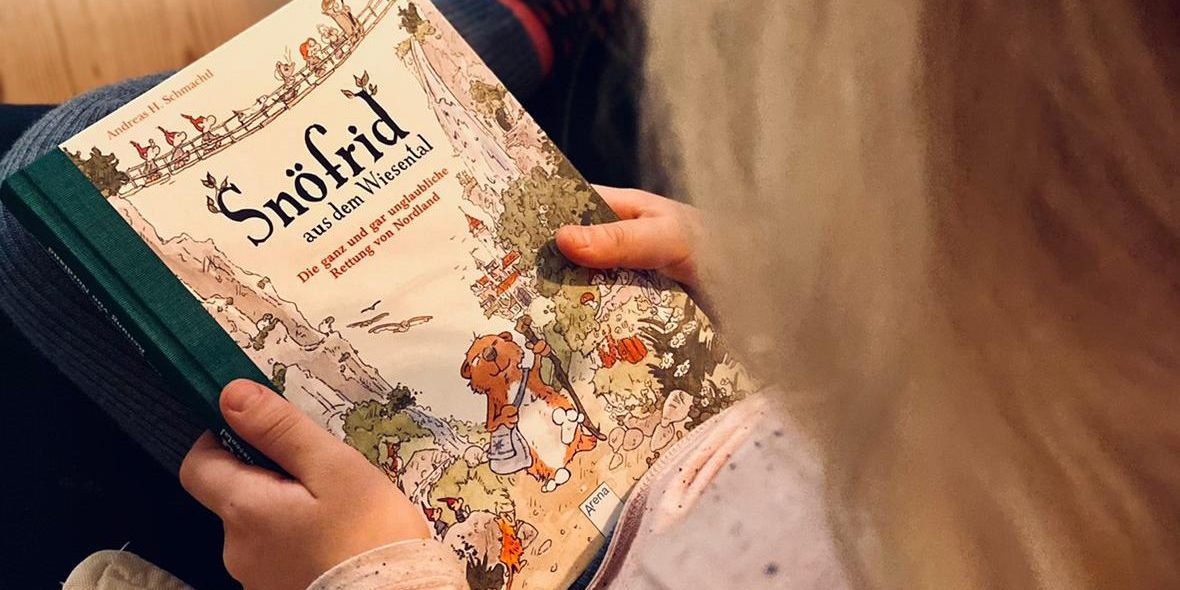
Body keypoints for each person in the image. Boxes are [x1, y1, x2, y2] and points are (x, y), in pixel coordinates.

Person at [10, 0, 1180, 589]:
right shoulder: (1090, 407)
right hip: (694, 401)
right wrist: (784, 292)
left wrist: (366, 573)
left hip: (496, 548)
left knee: (43, 209)